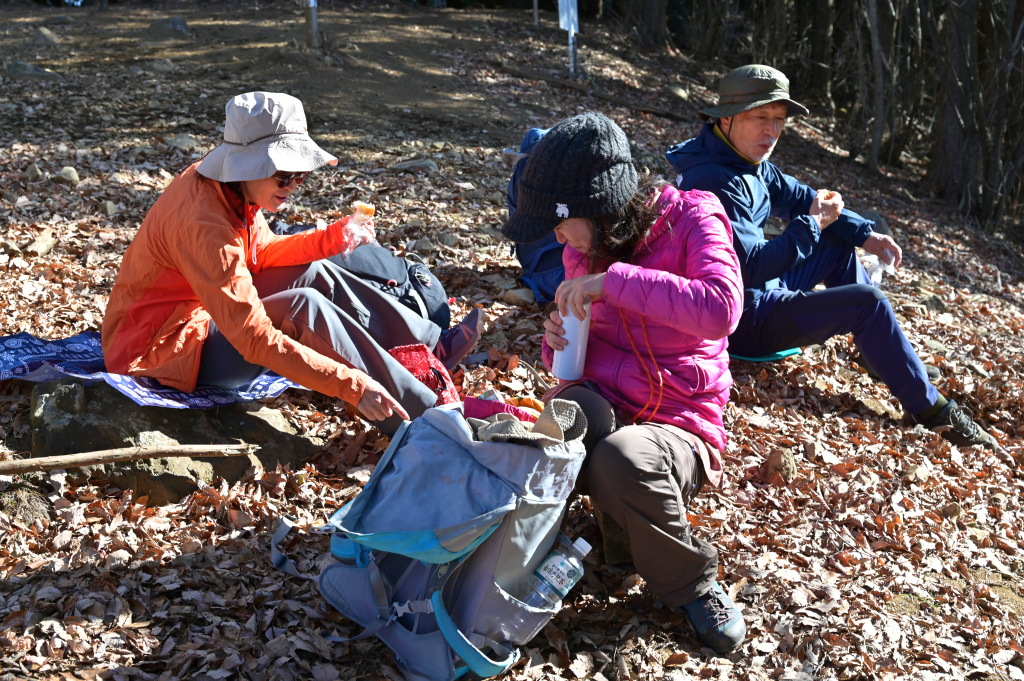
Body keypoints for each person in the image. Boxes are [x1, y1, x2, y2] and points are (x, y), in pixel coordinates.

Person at [503, 112, 748, 653]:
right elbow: (573, 352)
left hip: (680, 424)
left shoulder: (695, 218)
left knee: (623, 456)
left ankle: (691, 585)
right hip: (609, 404)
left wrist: (615, 283)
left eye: (562, 222)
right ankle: (515, 552)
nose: (558, 237)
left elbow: (721, 309)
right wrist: (556, 339)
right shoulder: (580, 251)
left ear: (596, 205)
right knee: (567, 418)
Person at [102, 92, 480, 429]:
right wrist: (350, 385)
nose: (294, 185)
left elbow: (262, 253)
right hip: (160, 350)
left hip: (202, 315)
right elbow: (253, 339)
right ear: (247, 166)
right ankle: (425, 418)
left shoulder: (232, 189)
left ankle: (428, 348)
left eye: (300, 175)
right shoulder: (205, 222)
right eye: (285, 176)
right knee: (304, 306)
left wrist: (335, 237)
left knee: (312, 273)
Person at [667, 65, 995, 450]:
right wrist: (811, 225)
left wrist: (866, 234)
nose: (771, 132)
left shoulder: (746, 161)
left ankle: (885, 358)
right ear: (726, 116)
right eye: (760, 118)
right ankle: (933, 411)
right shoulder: (715, 179)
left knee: (836, 246)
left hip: (762, 292)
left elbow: (805, 197)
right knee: (868, 303)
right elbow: (749, 269)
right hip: (743, 320)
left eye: (778, 120)